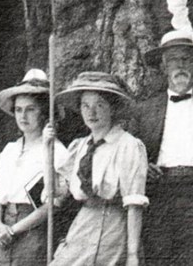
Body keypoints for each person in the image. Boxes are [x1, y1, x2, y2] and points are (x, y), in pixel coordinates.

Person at [126, 30, 193, 266]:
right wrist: (144, 167)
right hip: (159, 193)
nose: (181, 65)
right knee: (159, 256)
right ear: (163, 67)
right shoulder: (143, 110)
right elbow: (129, 154)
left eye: (186, 59)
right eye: (173, 59)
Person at [50, 71, 147, 266]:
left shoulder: (128, 145)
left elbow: (134, 203)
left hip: (113, 225)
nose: (91, 112)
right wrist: (47, 149)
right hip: (83, 223)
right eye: (86, 105)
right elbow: (59, 192)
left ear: (112, 108)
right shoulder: (80, 146)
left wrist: (132, 254)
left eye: (99, 105)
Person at [0, 69, 71, 266]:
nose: (23, 116)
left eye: (30, 109)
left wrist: (15, 229)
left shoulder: (56, 151)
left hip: (34, 229)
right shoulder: (9, 150)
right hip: (3, 228)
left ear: (43, 112)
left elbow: (52, 204)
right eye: (18, 109)